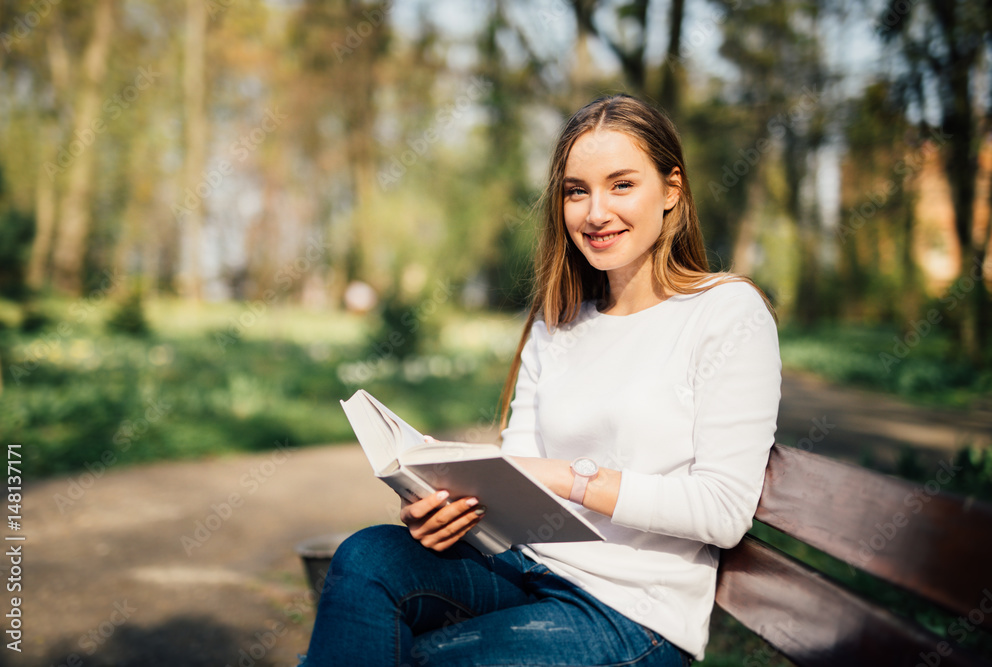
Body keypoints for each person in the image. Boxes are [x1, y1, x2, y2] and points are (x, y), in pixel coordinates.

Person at [301, 94, 781, 666]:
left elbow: (723, 511)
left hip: (632, 612)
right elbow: (518, 481)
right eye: (577, 191)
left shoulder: (726, 312)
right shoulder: (558, 323)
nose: (595, 212)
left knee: (425, 659)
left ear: (672, 189)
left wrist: (567, 478)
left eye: (621, 185)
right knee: (366, 559)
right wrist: (446, 504)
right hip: (527, 567)